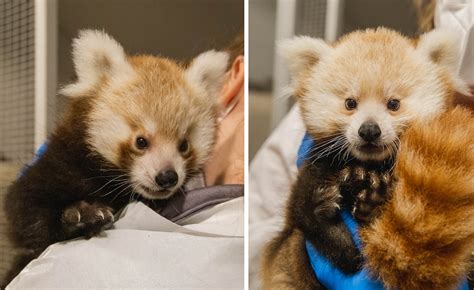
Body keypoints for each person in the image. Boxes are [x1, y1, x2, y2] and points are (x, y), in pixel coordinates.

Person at [249, 0, 473, 288]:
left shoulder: (424, 78)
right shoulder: (306, 129)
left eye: (393, 105)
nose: (370, 126)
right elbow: (254, 236)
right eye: (350, 104)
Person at [7, 34, 244, 288]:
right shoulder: (67, 163)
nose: (168, 172)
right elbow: (24, 218)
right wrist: (64, 220)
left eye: (182, 146)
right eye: (141, 143)